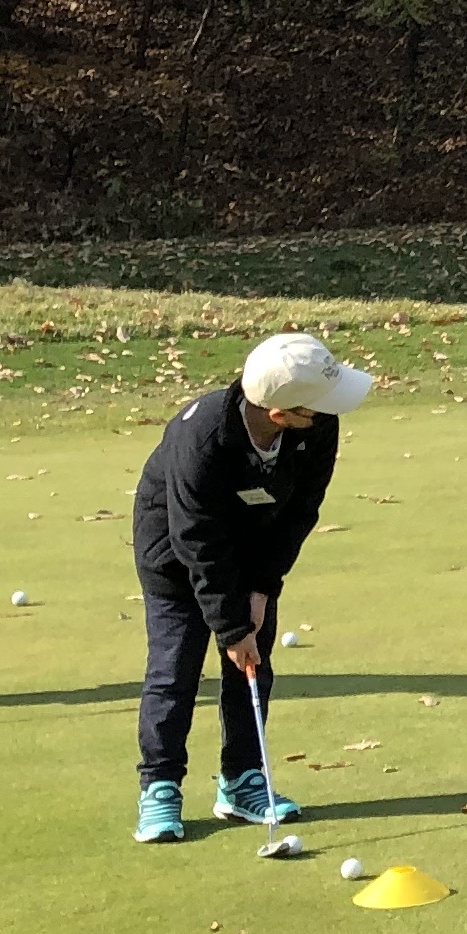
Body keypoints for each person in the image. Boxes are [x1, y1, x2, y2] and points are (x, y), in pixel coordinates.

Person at [131, 330, 372, 845]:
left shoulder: (318, 426)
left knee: (252, 666)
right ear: (281, 413)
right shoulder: (199, 439)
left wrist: (262, 588)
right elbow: (195, 539)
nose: (332, 410)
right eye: (319, 404)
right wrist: (230, 625)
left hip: (252, 549)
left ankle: (242, 781)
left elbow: (301, 510)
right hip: (174, 554)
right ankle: (160, 785)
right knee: (174, 671)